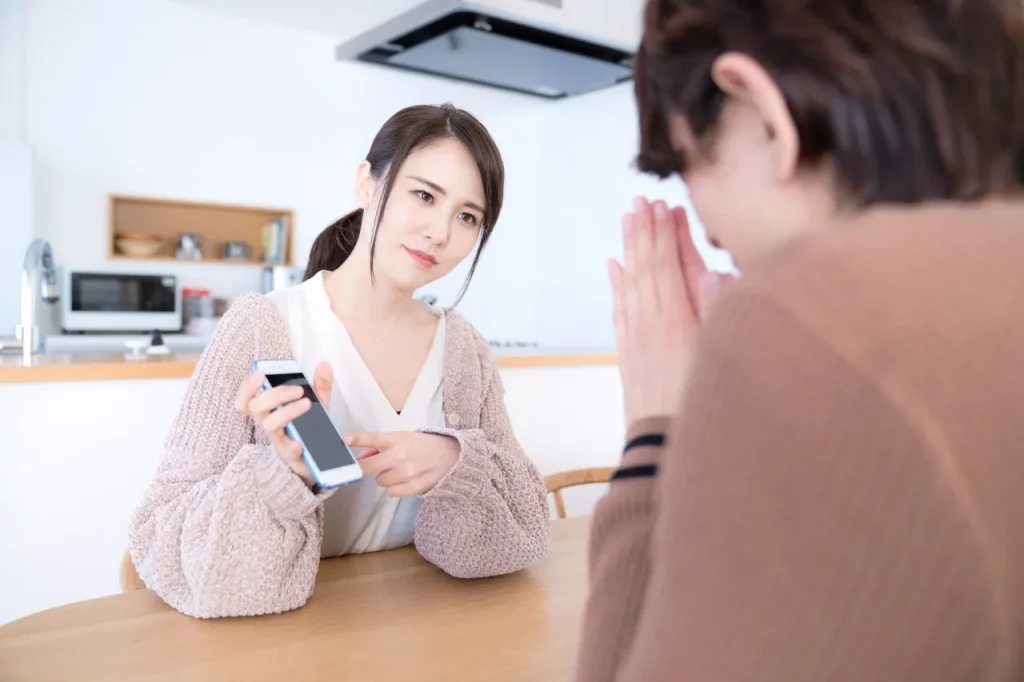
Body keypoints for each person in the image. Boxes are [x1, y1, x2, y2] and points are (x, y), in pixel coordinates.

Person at [579, 0, 1024, 680]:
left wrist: (657, 431)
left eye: (686, 165)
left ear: (760, 109)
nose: (710, 233)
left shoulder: (816, 318)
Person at [128, 103, 551, 619]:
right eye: (424, 195)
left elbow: (525, 534)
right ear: (367, 185)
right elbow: (161, 534)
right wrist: (281, 478)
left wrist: (456, 464)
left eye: (467, 217)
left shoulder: (465, 351)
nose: (440, 232)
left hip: (425, 637)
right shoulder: (263, 328)